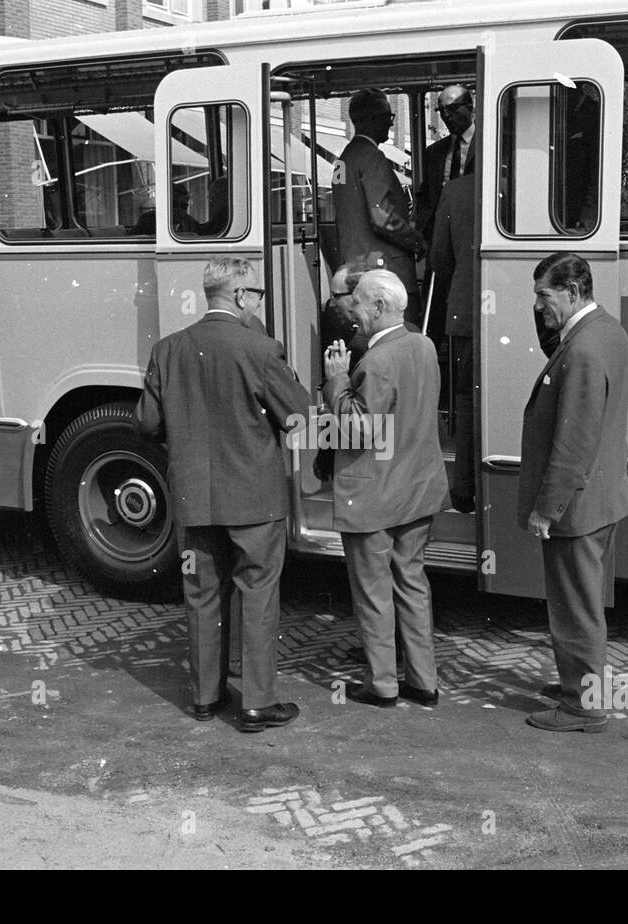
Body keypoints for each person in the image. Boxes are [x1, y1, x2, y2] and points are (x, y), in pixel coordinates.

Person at [135, 257, 312, 733]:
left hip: (194, 498)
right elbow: (299, 416)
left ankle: (204, 698)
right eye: (256, 294)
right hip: (255, 499)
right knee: (258, 594)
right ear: (237, 295)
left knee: (200, 595)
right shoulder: (261, 349)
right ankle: (256, 703)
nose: (258, 303)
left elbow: (148, 422)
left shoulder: (168, 349)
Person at [322, 269, 447, 709]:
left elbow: (356, 431)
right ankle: (423, 680)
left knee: (374, 594)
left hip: (374, 497)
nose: (351, 309)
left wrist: (335, 379)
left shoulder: (375, 362)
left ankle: (382, 684)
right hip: (417, 490)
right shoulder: (423, 345)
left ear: (377, 308)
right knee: (412, 584)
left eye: (356, 302)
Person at [521, 253, 628, 734]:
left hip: (577, 505)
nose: (539, 306)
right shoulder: (606, 331)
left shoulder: (583, 349)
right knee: (584, 602)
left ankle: (582, 706)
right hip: (601, 497)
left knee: (574, 608)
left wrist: (547, 509)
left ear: (571, 291)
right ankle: (580, 685)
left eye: (544, 296)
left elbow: (573, 442)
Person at [333, 89, 426, 330]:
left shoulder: (344, 158)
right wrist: (416, 240)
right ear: (373, 118)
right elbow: (381, 216)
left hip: (353, 268)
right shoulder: (372, 157)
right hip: (384, 268)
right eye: (388, 117)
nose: (390, 123)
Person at [429, 170, 477, 513]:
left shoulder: (455, 190)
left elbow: (439, 259)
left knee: (465, 400)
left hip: (465, 309)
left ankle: (464, 489)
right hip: (517, 311)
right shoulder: (524, 179)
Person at [416, 85, 475, 243]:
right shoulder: (435, 151)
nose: (447, 115)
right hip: (439, 234)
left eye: (453, 108)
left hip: (472, 231)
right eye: (441, 110)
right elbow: (426, 196)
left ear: (469, 109)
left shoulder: (486, 146)